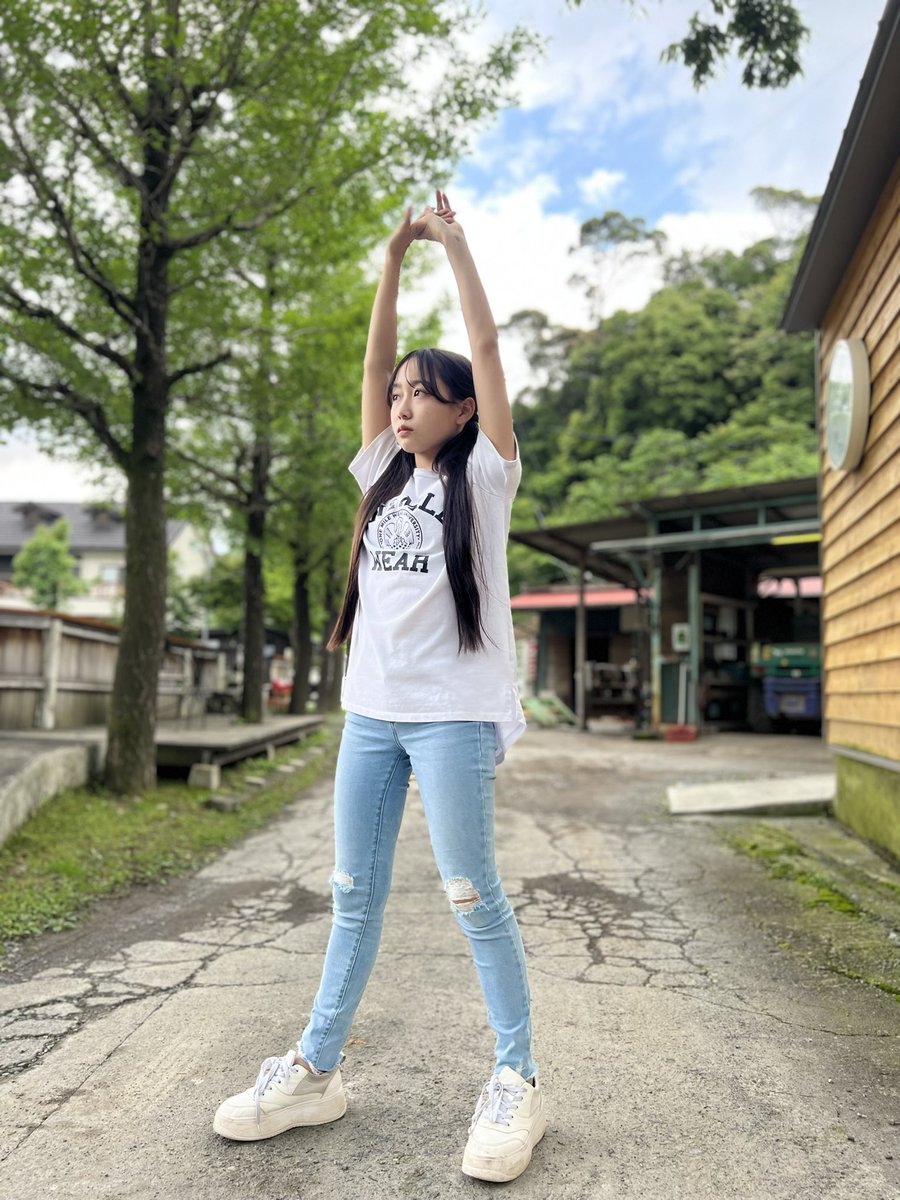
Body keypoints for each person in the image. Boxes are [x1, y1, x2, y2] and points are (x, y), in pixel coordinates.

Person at [213, 191, 544, 1183]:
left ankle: (518, 1078)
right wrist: (391, 258)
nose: (400, 405)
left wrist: (453, 246)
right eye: (397, 394)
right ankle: (315, 1071)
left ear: (464, 411)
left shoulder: (485, 479)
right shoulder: (382, 476)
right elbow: (370, 364)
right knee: (352, 894)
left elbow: (487, 347)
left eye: (422, 394)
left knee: (471, 894)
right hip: (370, 715)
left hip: (452, 718)